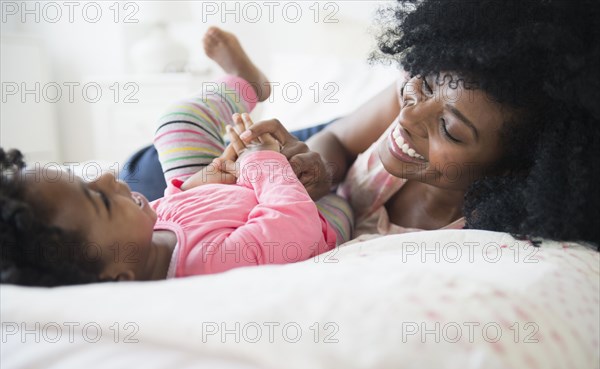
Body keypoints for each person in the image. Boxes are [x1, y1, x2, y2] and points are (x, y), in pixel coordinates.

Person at [0, 28, 354, 286]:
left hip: (251, 190)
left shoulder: (146, 235)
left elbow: (179, 205)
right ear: (118, 277)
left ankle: (246, 83)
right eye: (100, 201)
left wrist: (208, 179)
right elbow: (295, 228)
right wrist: (262, 163)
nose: (109, 179)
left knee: (175, 124)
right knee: (343, 181)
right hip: (310, 214)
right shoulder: (207, 267)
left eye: (86, 180)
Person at [238, 0, 599, 248]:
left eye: (450, 130)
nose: (409, 116)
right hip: (338, 151)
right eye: (425, 82)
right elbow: (336, 137)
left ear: (511, 171)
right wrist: (319, 174)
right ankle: (244, 81)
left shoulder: (468, 239)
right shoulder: (407, 105)